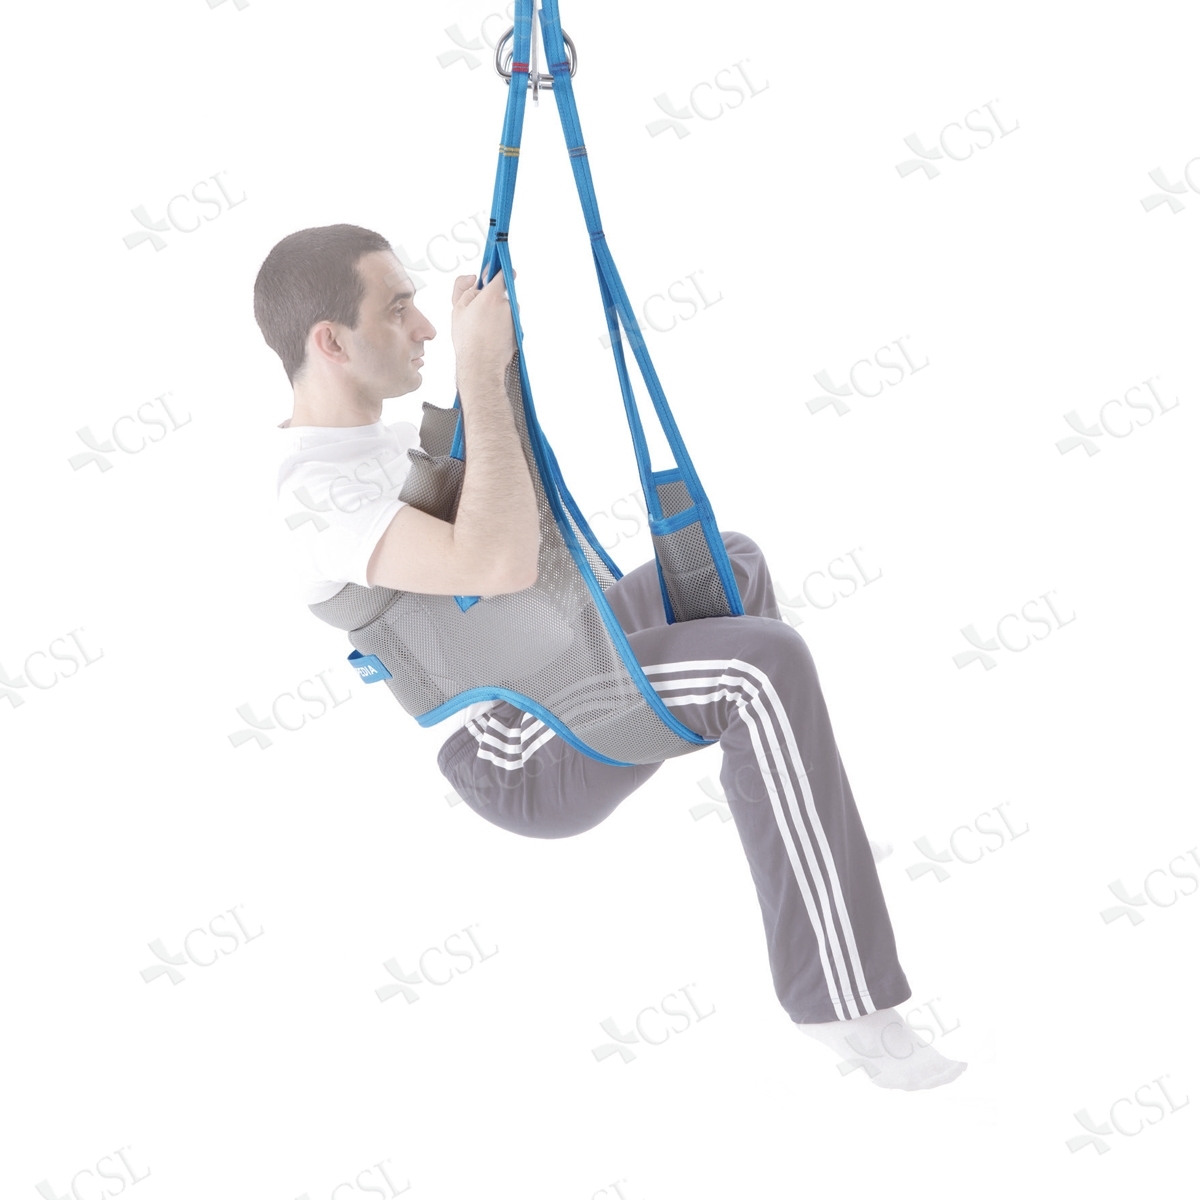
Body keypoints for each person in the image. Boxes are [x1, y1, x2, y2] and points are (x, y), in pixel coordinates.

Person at [255, 223, 967, 1090]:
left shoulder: (382, 443)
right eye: (398, 309)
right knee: (760, 668)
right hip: (517, 745)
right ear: (331, 342)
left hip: (562, 672)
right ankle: (843, 1005)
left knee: (728, 562)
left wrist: (486, 373)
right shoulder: (315, 500)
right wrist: (479, 372)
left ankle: (783, 805)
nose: (426, 328)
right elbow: (497, 563)